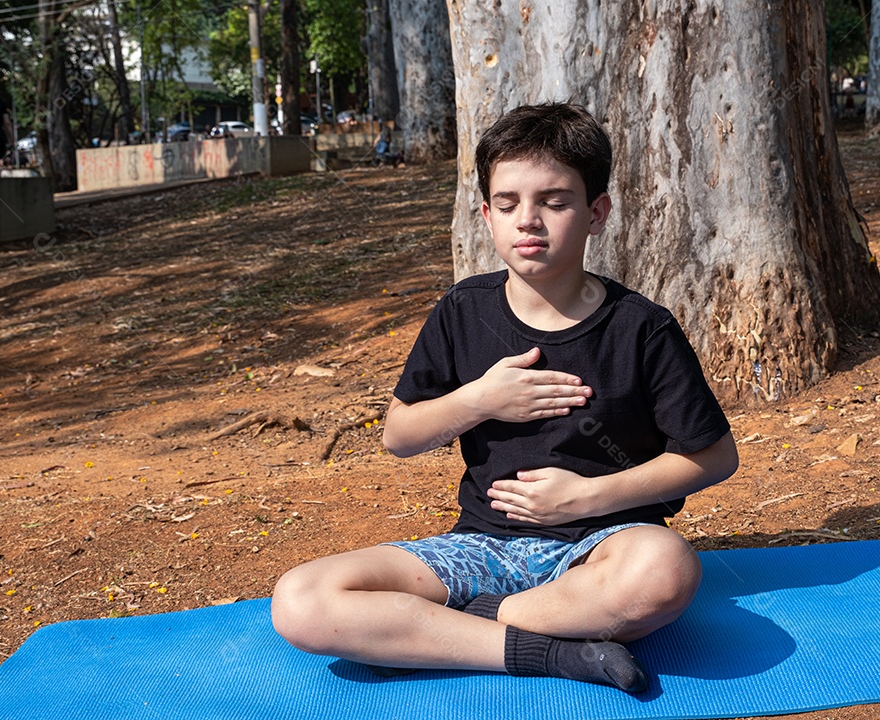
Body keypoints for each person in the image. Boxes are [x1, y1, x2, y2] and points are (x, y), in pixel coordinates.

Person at [272, 102, 738, 694]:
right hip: (480, 546)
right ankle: (550, 652)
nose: (530, 221)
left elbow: (714, 457)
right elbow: (399, 435)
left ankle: (447, 635)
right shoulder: (463, 310)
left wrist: (587, 497)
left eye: (555, 201)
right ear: (487, 215)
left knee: (666, 569)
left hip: (603, 549)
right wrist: (481, 399)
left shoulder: (641, 329)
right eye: (510, 204)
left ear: (597, 213)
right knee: (301, 600)